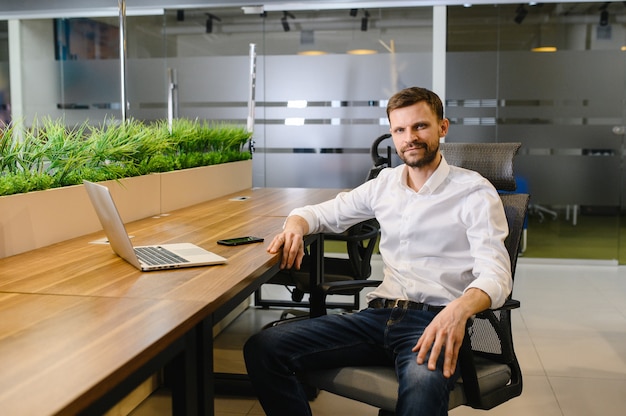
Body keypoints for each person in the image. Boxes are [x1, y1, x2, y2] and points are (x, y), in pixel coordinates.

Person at [243, 86, 512, 416]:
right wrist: (295, 225)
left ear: (443, 127)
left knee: (420, 396)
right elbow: (319, 213)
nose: (409, 137)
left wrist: (459, 309)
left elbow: (496, 273)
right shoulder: (386, 183)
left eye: (420, 126)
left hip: (433, 321)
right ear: (392, 135)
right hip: (377, 317)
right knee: (264, 348)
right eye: (400, 130)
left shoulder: (474, 192)